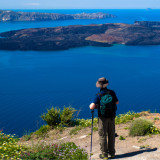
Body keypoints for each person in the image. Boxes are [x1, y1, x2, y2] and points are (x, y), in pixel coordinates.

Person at [89, 77, 119, 159]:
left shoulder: (98, 95)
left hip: (102, 118)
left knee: (102, 135)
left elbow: (92, 107)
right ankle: (112, 153)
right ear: (106, 84)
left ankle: (104, 155)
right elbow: (117, 102)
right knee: (111, 134)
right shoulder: (112, 92)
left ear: (99, 85)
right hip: (112, 117)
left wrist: (96, 106)